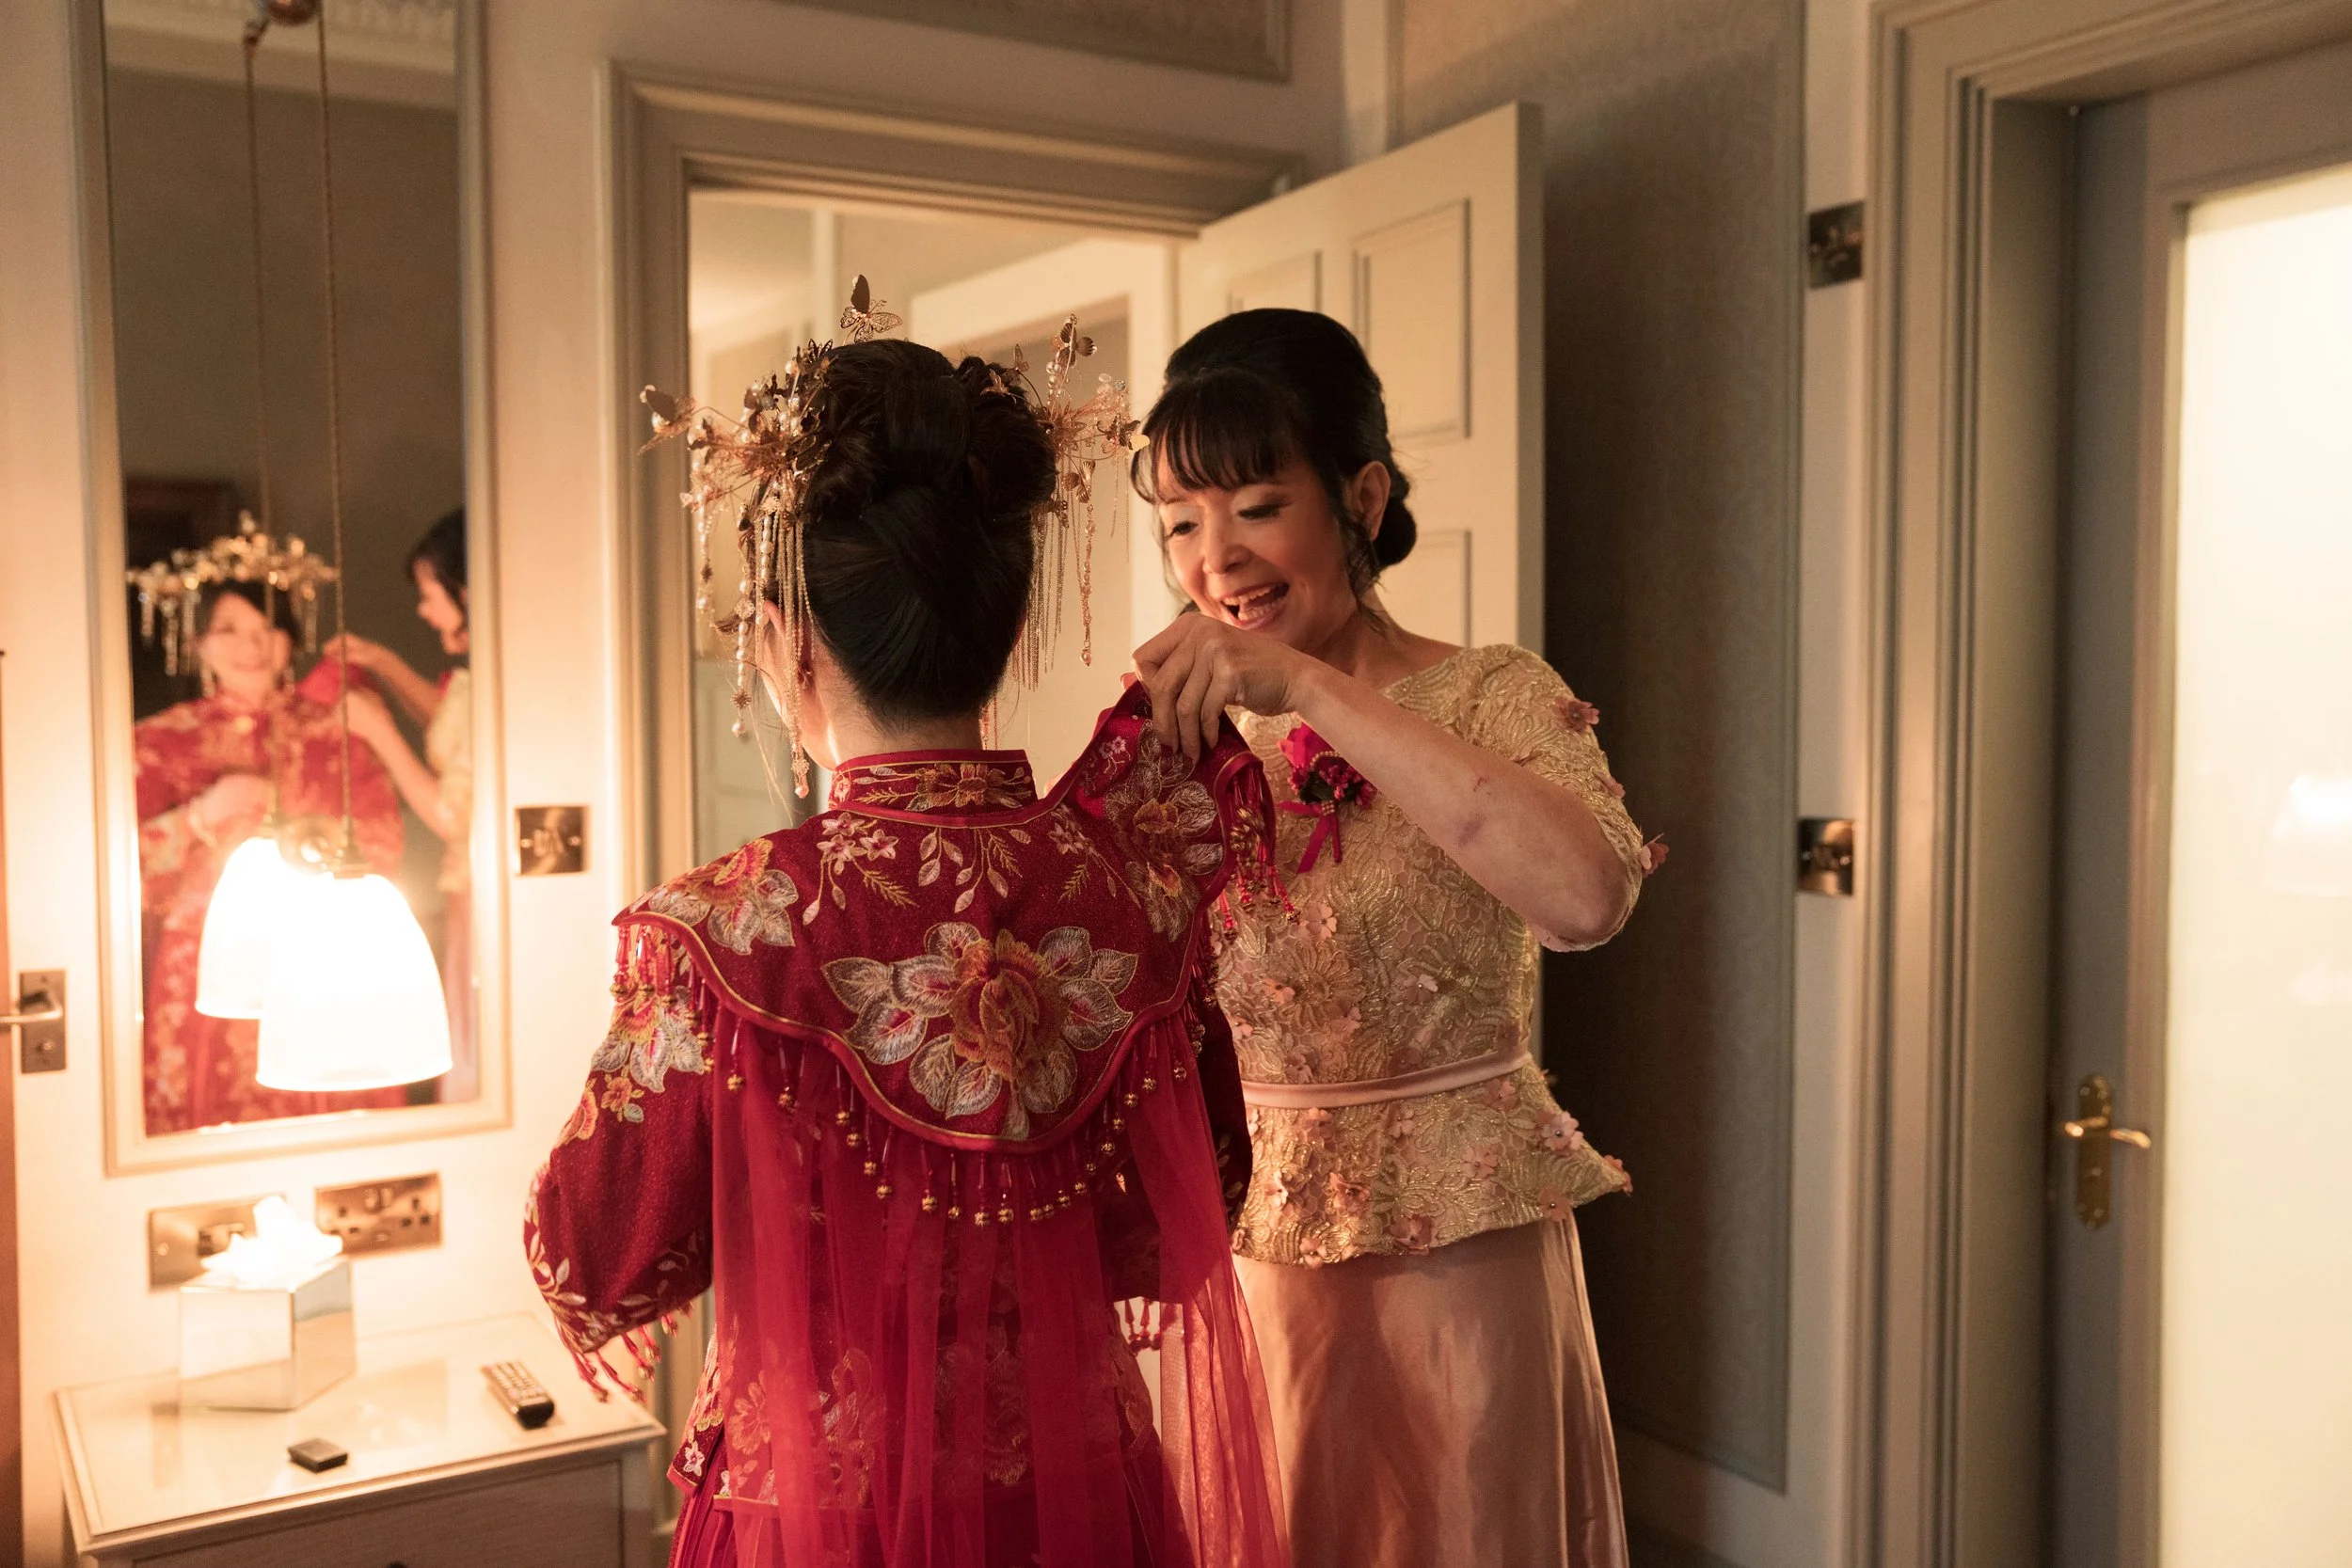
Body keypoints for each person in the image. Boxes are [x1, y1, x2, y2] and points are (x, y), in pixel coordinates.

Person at [526, 329, 1290, 1568]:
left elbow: (591, 1252)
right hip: (1084, 1497)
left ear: (787, 640)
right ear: (1008, 620)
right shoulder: (1128, 895)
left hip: (817, 1516)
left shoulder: (733, 928)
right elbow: (1200, 1197)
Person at [1130, 309, 1661, 1568]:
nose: (1218, 561)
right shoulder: (1176, 743)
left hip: (1464, 1258)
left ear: (1360, 494)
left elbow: (1588, 899)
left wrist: (1314, 690)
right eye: (1180, 524)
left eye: (1258, 504)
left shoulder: (1490, 693)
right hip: (1257, 1261)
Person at [134, 581, 407, 1132]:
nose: (251, 646)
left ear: (288, 641)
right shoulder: (160, 742)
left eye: (266, 630)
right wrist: (200, 815)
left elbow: (384, 842)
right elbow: (112, 866)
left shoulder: (337, 733)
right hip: (204, 960)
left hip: (321, 955)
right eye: (230, 629)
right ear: (199, 643)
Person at [326, 509, 475, 1097]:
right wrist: (381, 663)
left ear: (464, 591)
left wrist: (378, 731)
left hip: (478, 887)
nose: (424, 609)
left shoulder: (499, 681)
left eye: (429, 594)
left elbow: (451, 815)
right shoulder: (478, 680)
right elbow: (451, 727)